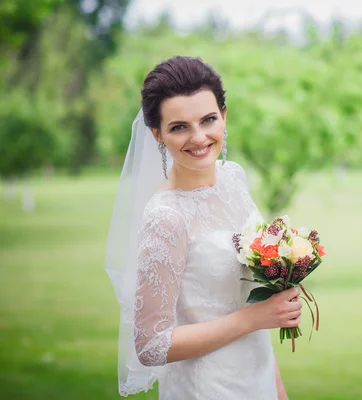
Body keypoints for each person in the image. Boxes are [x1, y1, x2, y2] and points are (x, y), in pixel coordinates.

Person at [104, 56, 302, 399]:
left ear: (224, 116)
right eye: (179, 126)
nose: (199, 138)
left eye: (208, 120)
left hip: (257, 376)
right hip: (207, 387)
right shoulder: (166, 218)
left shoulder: (234, 178)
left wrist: (278, 389)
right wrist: (256, 317)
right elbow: (151, 345)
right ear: (157, 135)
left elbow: (246, 299)